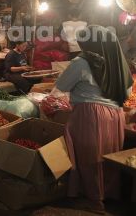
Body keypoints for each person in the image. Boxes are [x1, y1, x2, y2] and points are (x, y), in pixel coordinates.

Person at [54, 25, 132, 214]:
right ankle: (109, 194)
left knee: (89, 160)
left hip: (90, 114)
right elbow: (128, 92)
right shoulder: (118, 62)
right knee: (108, 156)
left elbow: (62, 85)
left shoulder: (82, 62)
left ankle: (94, 201)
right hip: (115, 115)